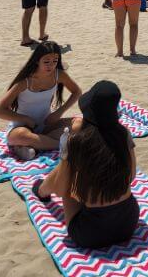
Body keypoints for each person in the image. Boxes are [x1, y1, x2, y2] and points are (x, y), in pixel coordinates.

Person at [32, 80, 139, 249]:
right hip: (128, 223)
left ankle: (41, 190)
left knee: (66, 173)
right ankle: (42, 189)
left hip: (90, 234)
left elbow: (61, 190)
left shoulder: (78, 141)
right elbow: (131, 176)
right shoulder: (123, 134)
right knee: (87, 175)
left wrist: (68, 141)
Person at [0, 41, 81, 160]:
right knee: (21, 136)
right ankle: (61, 144)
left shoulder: (59, 75)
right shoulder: (25, 81)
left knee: (80, 123)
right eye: (46, 62)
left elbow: (77, 92)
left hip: (46, 125)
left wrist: (58, 112)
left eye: (55, 61)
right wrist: (25, 119)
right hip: (22, 128)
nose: (51, 65)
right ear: (37, 61)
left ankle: (35, 145)